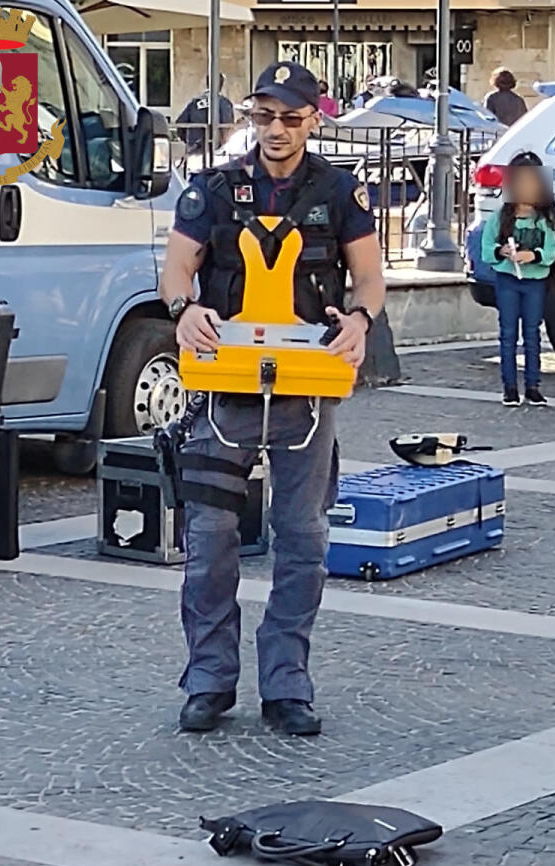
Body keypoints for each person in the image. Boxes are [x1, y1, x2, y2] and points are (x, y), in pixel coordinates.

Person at [159, 61, 386, 735]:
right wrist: (183, 310)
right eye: (264, 116)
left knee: (303, 538)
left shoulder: (338, 191)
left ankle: (287, 683)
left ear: (314, 119)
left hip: (306, 390)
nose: (276, 129)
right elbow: (177, 269)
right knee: (210, 537)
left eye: (290, 117)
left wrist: (360, 321)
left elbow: (370, 278)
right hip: (224, 386)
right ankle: (209, 679)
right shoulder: (213, 189)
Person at [481, 151, 555, 406]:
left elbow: (551, 252)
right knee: (508, 333)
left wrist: (533, 255)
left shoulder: (545, 220)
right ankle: (509, 387)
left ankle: (533, 386)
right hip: (507, 280)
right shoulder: (500, 217)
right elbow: (487, 248)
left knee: (532, 333)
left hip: (534, 282)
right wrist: (501, 251)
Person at [176, 73, 235, 155]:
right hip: (217, 152)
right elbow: (227, 128)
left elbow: (180, 124)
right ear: (222, 85)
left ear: (207, 83)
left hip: (195, 150)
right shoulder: (225, 103)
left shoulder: (194, 102)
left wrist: (189, 142)